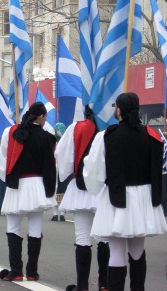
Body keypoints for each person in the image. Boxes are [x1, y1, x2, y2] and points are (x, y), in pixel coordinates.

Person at [83, 93, 167, 291]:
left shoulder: (107, 136)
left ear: (119, 110)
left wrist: (95, 188)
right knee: (138, 251)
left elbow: (94, 170)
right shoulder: (154, 135)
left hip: (117, 196)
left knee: (117, 252)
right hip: (145, 197)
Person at [0, 102, 57, 282]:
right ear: (41, 117)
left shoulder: (11, 131)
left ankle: (16, 271)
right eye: (45, 117)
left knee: (13, 226)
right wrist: (50, 189)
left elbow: (4, 157)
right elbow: (50, 166)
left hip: (18, 184)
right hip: (37, 185)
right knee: (35, 228)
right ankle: (32, 272)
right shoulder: (47, 136)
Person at [55, 108, 109, 291]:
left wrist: (68, 172)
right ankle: (104, 285)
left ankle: (82, 286)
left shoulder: (76, 128)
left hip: (81, 187)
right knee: (105, 238)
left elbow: (62, 155)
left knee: (82, 237)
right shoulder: (111, 127)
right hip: (104, 189)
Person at [52, 122, 70, 222]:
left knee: (62, 190)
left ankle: (61, 213)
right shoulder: (53, 140)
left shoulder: (66, 141)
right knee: (54, 190)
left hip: (62, 168)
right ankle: (56, 213)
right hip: (55, 168)